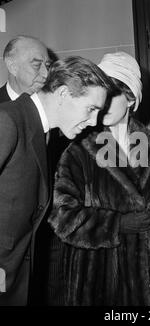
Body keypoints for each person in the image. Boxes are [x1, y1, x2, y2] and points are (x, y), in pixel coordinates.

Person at [46, 52, 150, 306]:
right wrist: (117, 224)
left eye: (112, 93)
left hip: (148, 276)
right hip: (97, 276)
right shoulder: (79, 150)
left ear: (130, 99)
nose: (103, 103)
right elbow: (62, 216)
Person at [0, 55, 116, 306]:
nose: (94, 121)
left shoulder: (40, 132)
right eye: (91, 109)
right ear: (63, 93)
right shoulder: (7, 120)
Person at [0, 35, 51, 103]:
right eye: (37, 65)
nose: (46, 74)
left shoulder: (54, 102)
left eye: (47, 66)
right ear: (12, 67)